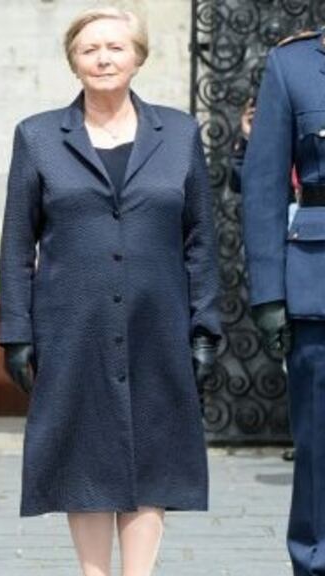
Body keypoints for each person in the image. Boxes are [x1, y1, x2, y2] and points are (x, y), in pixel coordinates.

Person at [0, 7, 219, 576]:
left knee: (154, 455)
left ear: (138, 58)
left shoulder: (179, 134)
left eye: (115, 47)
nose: (102, 58)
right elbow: (18, 244)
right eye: (89, 48)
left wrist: (205, 326)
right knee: (85, 456)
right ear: (73, 61)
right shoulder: (39, 136)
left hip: (158, 322)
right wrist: (16, 333)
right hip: (73, 326)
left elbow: (200, 239)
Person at [242, 26, 325, 576]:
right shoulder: (292, 65)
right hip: (319, 282)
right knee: (319, 445)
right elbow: (265, 183)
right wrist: (270, 292)